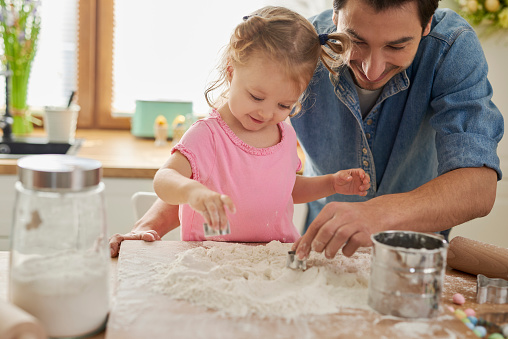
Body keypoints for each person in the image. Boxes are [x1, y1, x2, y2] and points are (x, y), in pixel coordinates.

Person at [109, 6, 370, 256]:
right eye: (256, 97)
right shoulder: (208, 135)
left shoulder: (285, 135)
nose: (266, 114)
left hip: (273, 261)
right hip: (210, 259)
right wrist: (191, 191)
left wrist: (331, 183)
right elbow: (164, 179)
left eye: (284, 104)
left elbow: (286, 188)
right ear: (231, 72)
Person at [290, 0, 503, 260]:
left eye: (396, 46)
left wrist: (380, 214)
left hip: (414, 259)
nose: (371, 70)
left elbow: (478, 187)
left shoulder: (451, 46)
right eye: (356, 41)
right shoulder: (298, 44)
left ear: (426, 25)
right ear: (336, 15)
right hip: (322, 248)